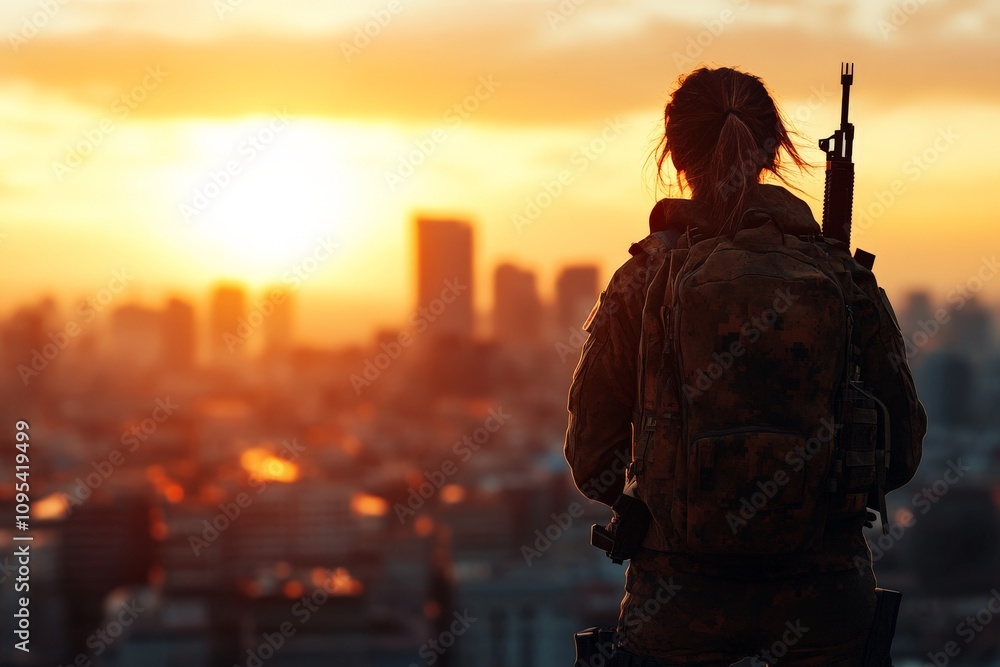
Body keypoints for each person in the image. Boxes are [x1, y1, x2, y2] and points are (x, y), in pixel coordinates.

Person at [564, 66, 927, 667]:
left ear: (676, 154)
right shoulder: (842, 279)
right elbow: (902, 453)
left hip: (676, 610)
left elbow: (591, 459)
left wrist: (664, 511)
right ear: (774, 148)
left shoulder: (642, 282)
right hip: (825, 610)